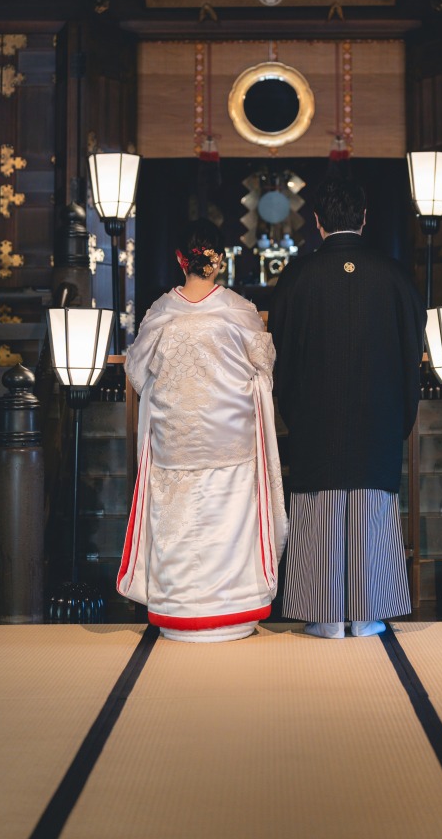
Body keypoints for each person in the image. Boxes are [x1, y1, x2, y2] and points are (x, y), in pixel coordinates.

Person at [269, 175, 426, 639]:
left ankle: (324, 615)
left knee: (318, 509)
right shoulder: (395, 275)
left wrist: (293, 406)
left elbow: (283, 352)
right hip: (379, 413)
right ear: (363, 218)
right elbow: (410, 353)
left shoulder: (298, 277)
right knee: (373, 508)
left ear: (317, 222)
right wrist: (402, 410)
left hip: (316, 415)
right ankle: (369, 611)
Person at [117, 219, 287, 642]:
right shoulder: (238, 311)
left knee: (178, 527)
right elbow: (264, 365)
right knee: (227, 526)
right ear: (220, 259)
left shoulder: (161, 312)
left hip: (176, 441)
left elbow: (138, 372)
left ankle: (178, 610)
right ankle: (233, 612)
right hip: (229, 441)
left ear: (181, 260)